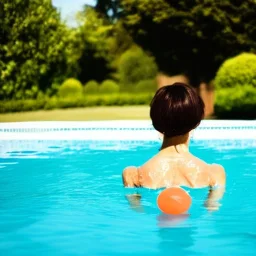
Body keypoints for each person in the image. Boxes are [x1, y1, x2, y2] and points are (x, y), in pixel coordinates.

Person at [122, 83, 226, 210]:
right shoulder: (214, 173)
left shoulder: (133, 175)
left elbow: (138, 215)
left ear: (156, 121)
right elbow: (210, 213)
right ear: (196, 122)